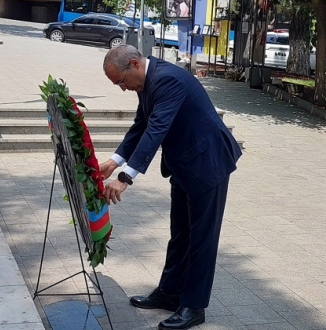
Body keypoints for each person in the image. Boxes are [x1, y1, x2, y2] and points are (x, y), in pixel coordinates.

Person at [100, 45, 242, 330]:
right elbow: (141, 125)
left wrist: (125, 178)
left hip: (207, 163)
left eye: (121, 82)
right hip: (184, 164)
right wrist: (114, 162)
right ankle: (170, 292)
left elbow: (157, 130)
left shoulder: (168, 79)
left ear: (134, 64)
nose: (123, 88)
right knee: (180, 234)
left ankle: (193, 306)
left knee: (201, 239)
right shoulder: (147, 82)